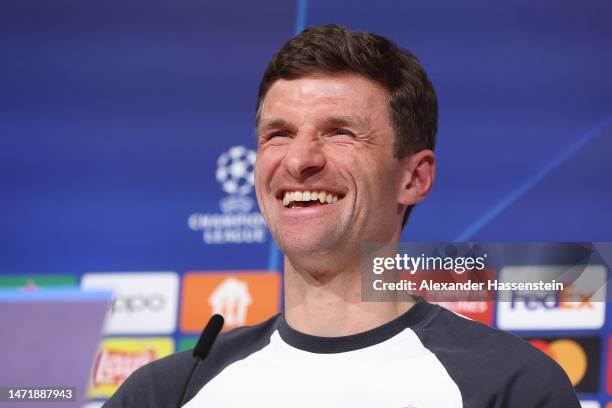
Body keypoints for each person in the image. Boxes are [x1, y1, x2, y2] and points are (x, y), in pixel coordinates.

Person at [104, 24, 579, 407]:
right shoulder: (165, 393)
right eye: (278, 134)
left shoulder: (511, 385)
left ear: (414, 178)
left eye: (340, 133)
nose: (298, 160)